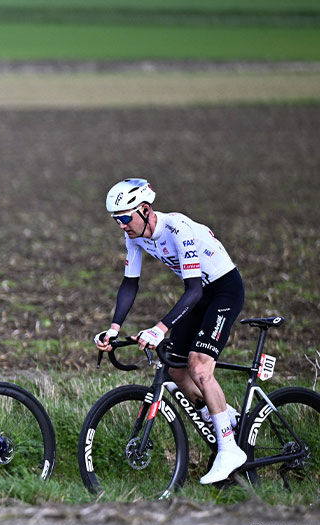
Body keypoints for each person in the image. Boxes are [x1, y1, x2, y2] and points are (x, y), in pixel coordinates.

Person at [94, 178, 246, 484]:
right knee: (176, 370)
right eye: (116, 221)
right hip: (200, 293)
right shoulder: (135, 237)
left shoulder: (178, 229)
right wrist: (113, 328)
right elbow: (130, 284)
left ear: (145, 209)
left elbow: (191, 291)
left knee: (200, 368)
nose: (122, 226)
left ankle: (229, 449)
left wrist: (160, 328)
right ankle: (225, 418)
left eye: (125, 218)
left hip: (222, 291)